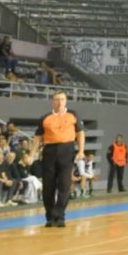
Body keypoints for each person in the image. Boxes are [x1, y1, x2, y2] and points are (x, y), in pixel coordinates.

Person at [31, 91, 84, 227]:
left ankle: (59, 216)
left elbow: (80, 133)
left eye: (62, 99)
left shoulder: (73, 114)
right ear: (52, 102)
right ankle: (50, 217)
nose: (60, 102)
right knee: (48, 187)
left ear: (66, 101)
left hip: (67, 151)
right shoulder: (45, 118)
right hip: (49, 152)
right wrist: (32, 155)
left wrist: (81, 151)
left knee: (64, 185)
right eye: (57, 99)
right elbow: (37, 138)